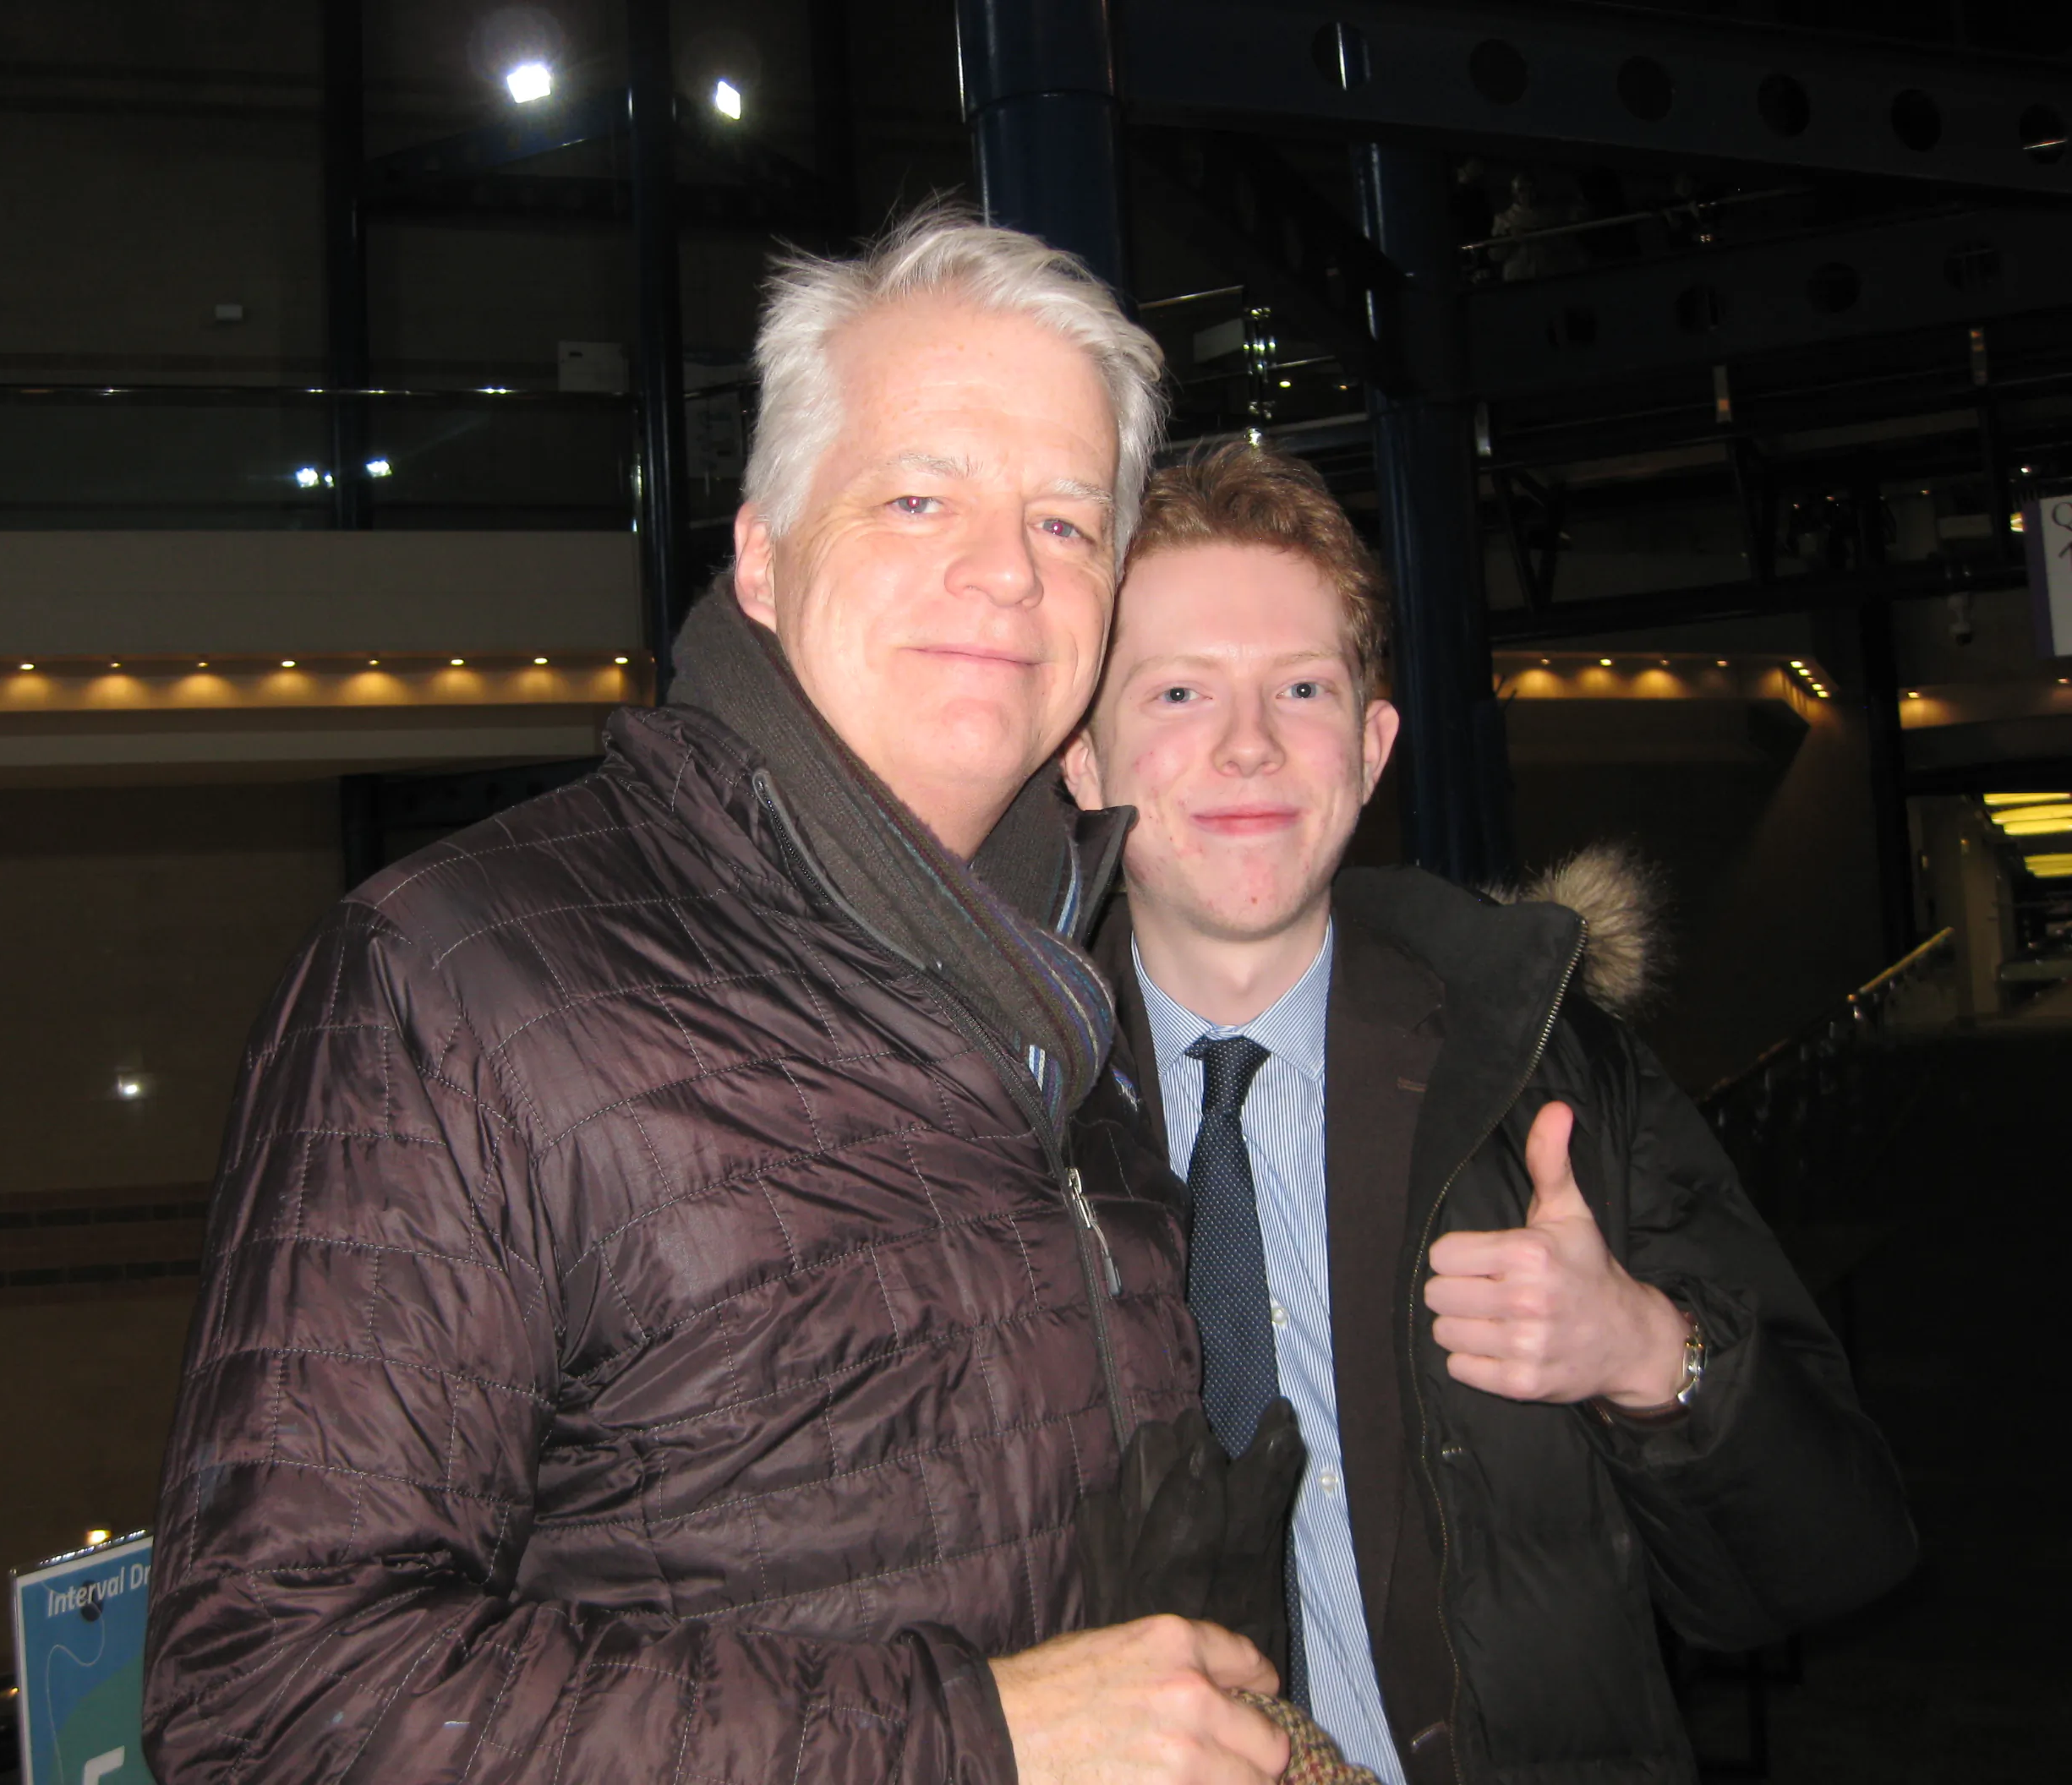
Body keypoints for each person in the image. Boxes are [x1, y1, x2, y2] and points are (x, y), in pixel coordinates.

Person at [142, 209, 1298, 1784]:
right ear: (760, 555)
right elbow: (270, 1694)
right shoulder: (462, 976)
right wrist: (976, 1739)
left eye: (1066, 523)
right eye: (916, 495)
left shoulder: (1063, 991)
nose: (1004, 576)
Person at [1061, 442, 1917, 1785]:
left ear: (1372, 744)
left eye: (1303, 687)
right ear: (1079, 758)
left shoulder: (1547, 1077)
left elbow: (1837, 1550)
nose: (1248, 742)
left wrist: (1647, 1355)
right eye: (1178, 691)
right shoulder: (990, 1132)